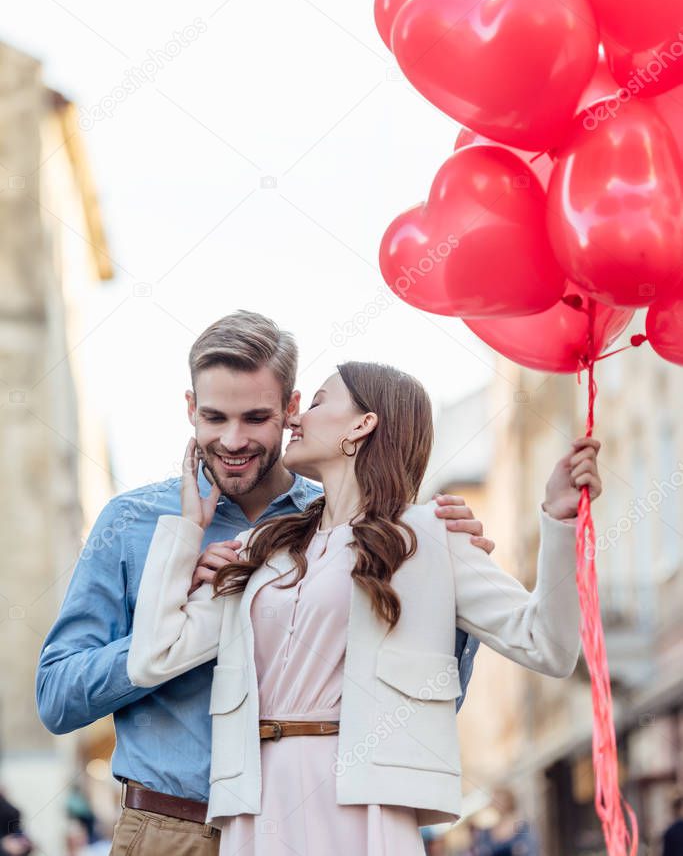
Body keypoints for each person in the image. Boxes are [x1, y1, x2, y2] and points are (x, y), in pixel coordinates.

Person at [36, 312, 492, 856]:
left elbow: (430, 702)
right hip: (168, 830)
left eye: (255, 417)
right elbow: (57, 698)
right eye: (214, 417)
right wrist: (173, 620)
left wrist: (455, 586)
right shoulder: (132, 524)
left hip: (310, 829)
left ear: (293, 411)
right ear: (190, 410)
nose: (232, 440)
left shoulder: (351, 526)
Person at [128, 360, 601, 855]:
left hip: (365, 799)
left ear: (362, 424)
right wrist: (187, 531)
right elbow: (152, 659)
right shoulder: (260, 549)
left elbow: (548, 645)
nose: (295, 418)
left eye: (316, 402)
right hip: (256, 800)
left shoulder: (428, 537)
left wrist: (560, 522)